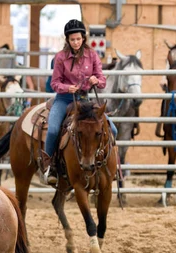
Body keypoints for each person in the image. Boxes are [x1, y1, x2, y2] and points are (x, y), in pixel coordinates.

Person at [42, 19, 117, 185]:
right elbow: (54, 83)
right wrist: (67, 88)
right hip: (63, 99)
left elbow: (102, 79)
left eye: (78, 39)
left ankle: (110, 166)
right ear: (67, 40)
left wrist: (95, 81)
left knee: (113, 129)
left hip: (84, 99)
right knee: (53, 129)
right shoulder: (60, 58)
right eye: (72, 39)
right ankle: (49, 166)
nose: (75, 42)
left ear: (83, 38)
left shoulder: (92, 55)